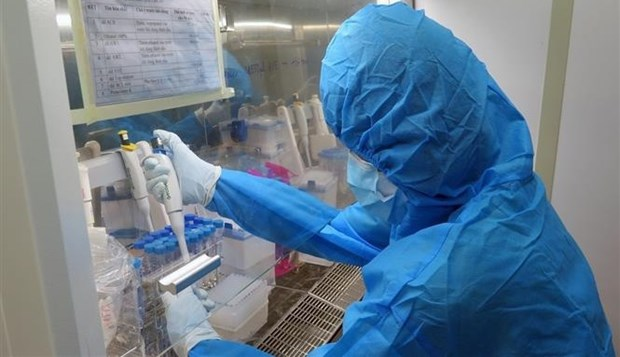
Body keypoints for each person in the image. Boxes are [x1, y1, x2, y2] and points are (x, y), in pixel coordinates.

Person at [145, 4, 615, 356]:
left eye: (365, 154)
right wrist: (214, 183)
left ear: (409, 148)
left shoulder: (433, 292)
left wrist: (200, 342)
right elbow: (336, 230)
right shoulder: (486, 182)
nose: (359, 168)